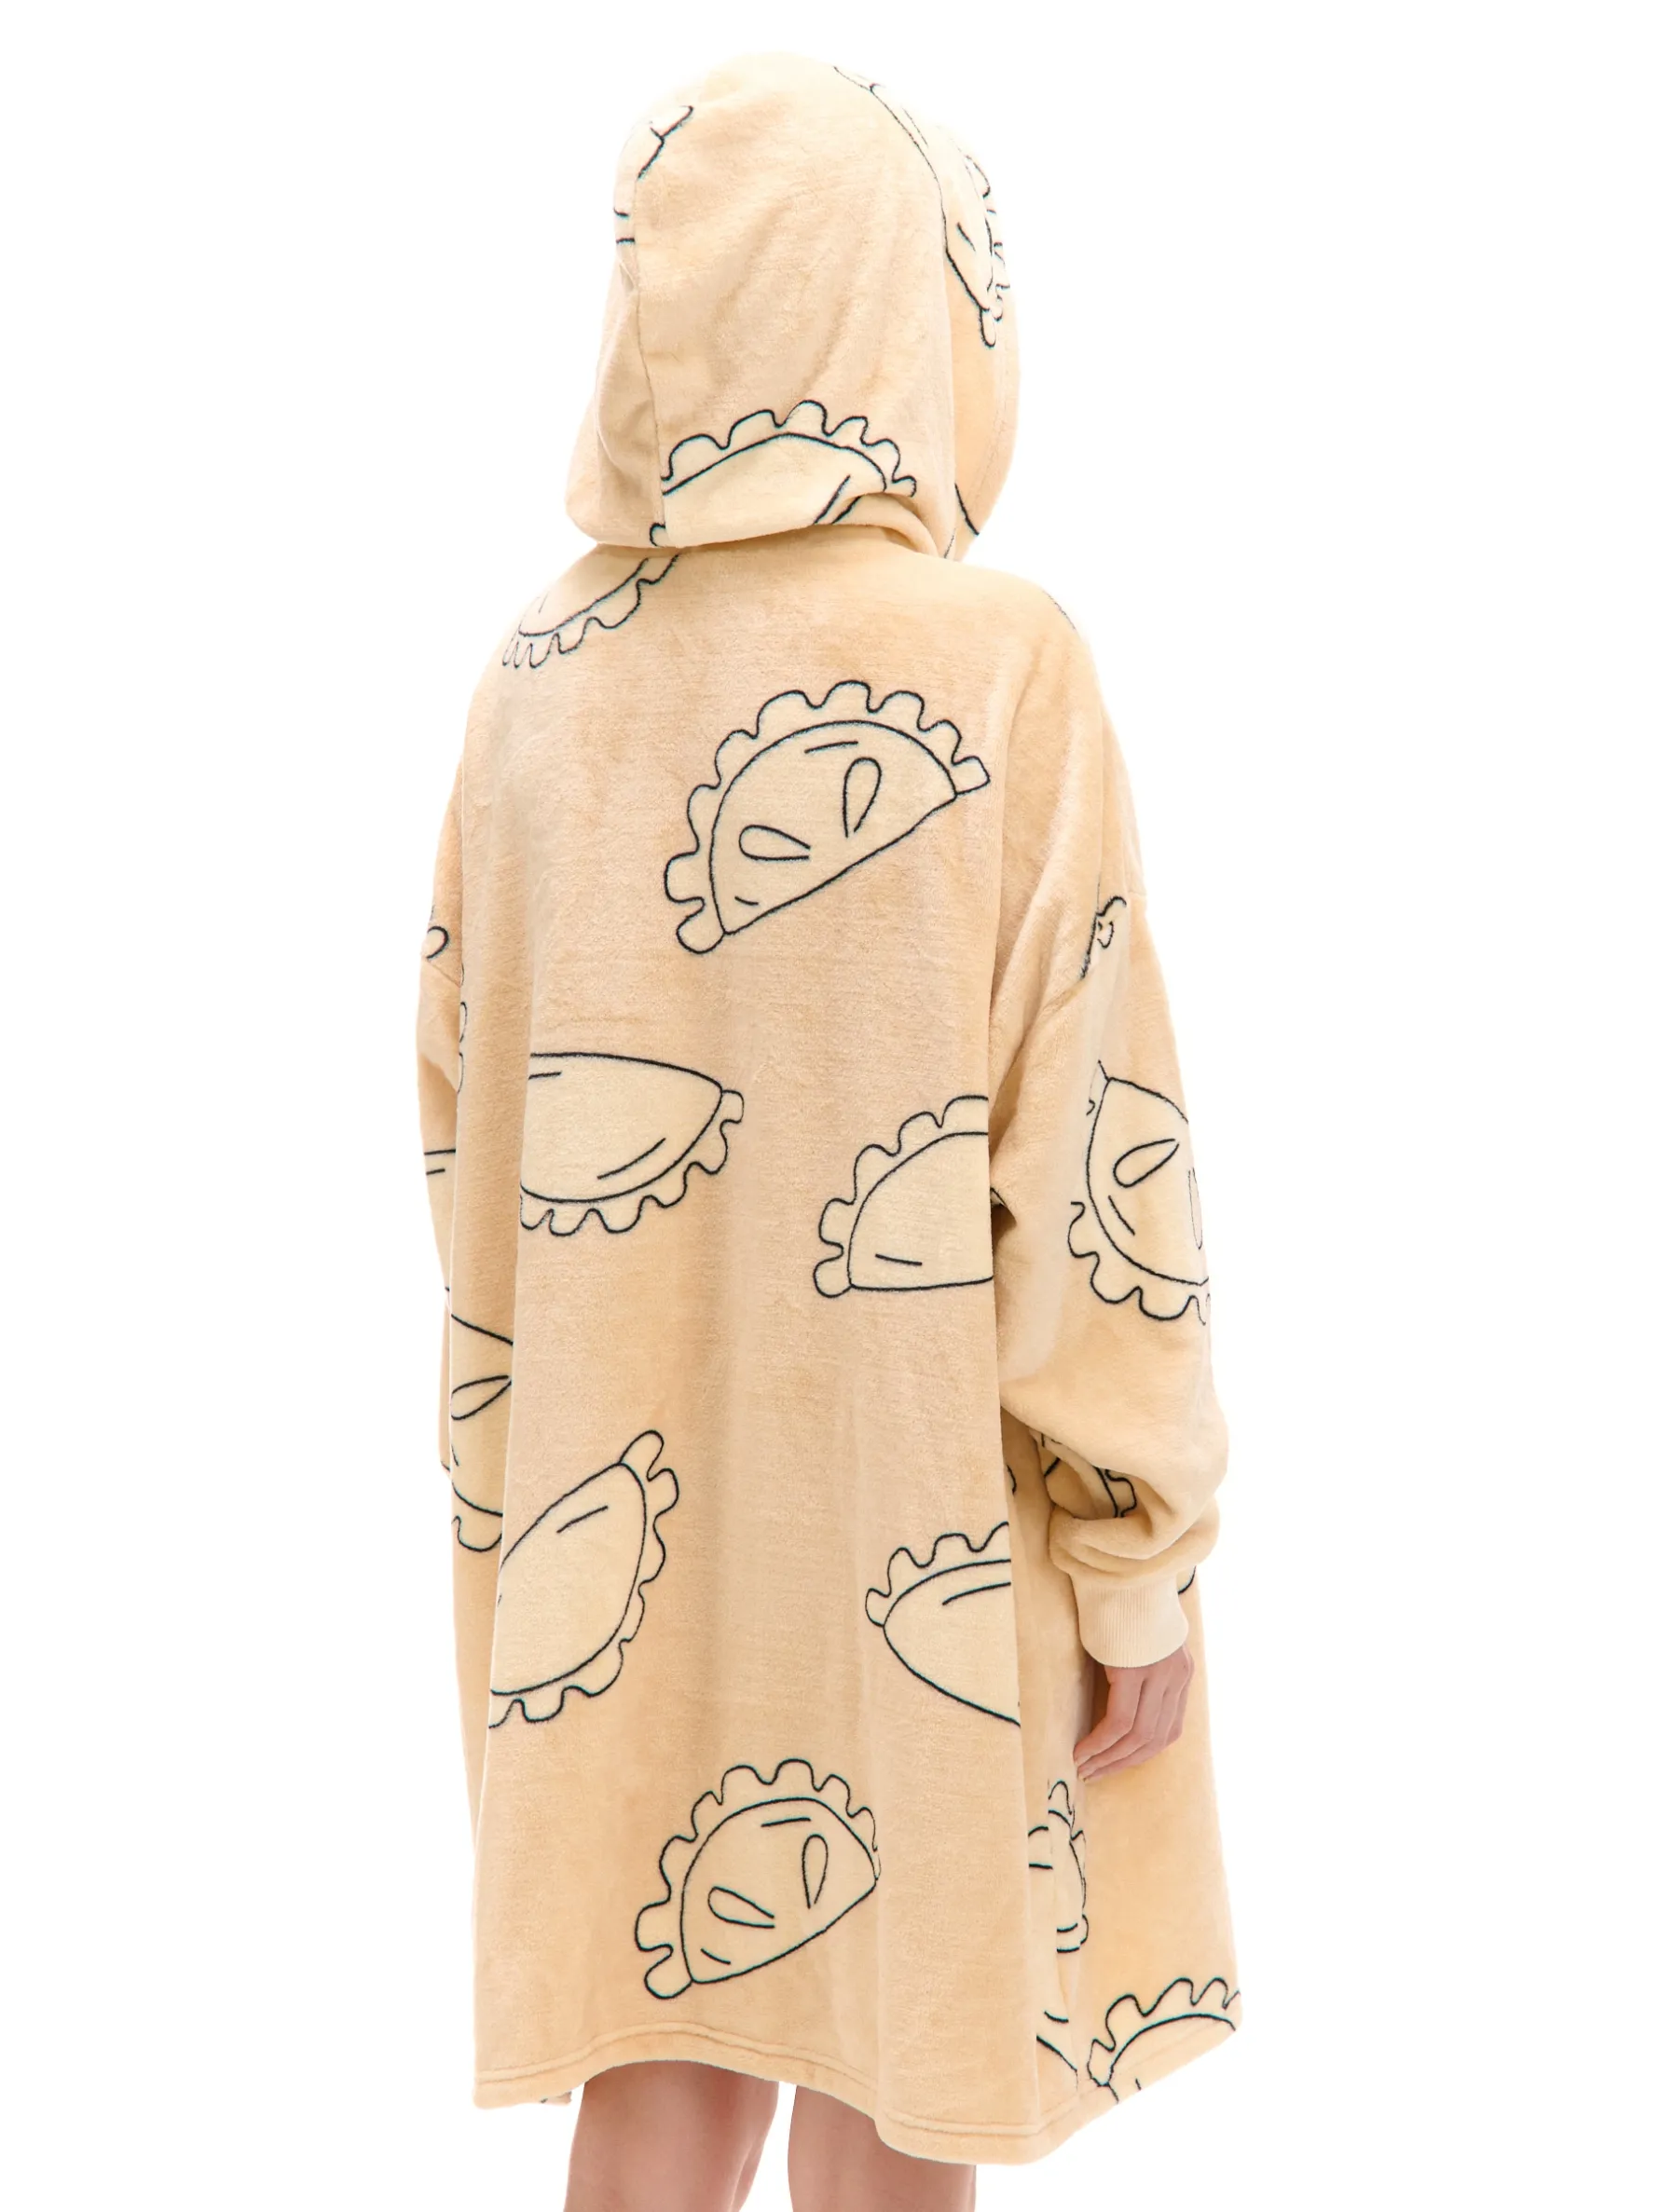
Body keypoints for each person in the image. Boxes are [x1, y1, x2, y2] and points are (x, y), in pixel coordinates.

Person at [416, 50, 1237, 2211]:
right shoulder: (993, 665)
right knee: (905, 2047)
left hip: (598, 1509)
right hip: (919, 1519)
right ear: (919, 301)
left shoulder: (535, 676)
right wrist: (1133, 1557)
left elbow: (461, 1123)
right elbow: (1095, 1154)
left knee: (660, 2040)